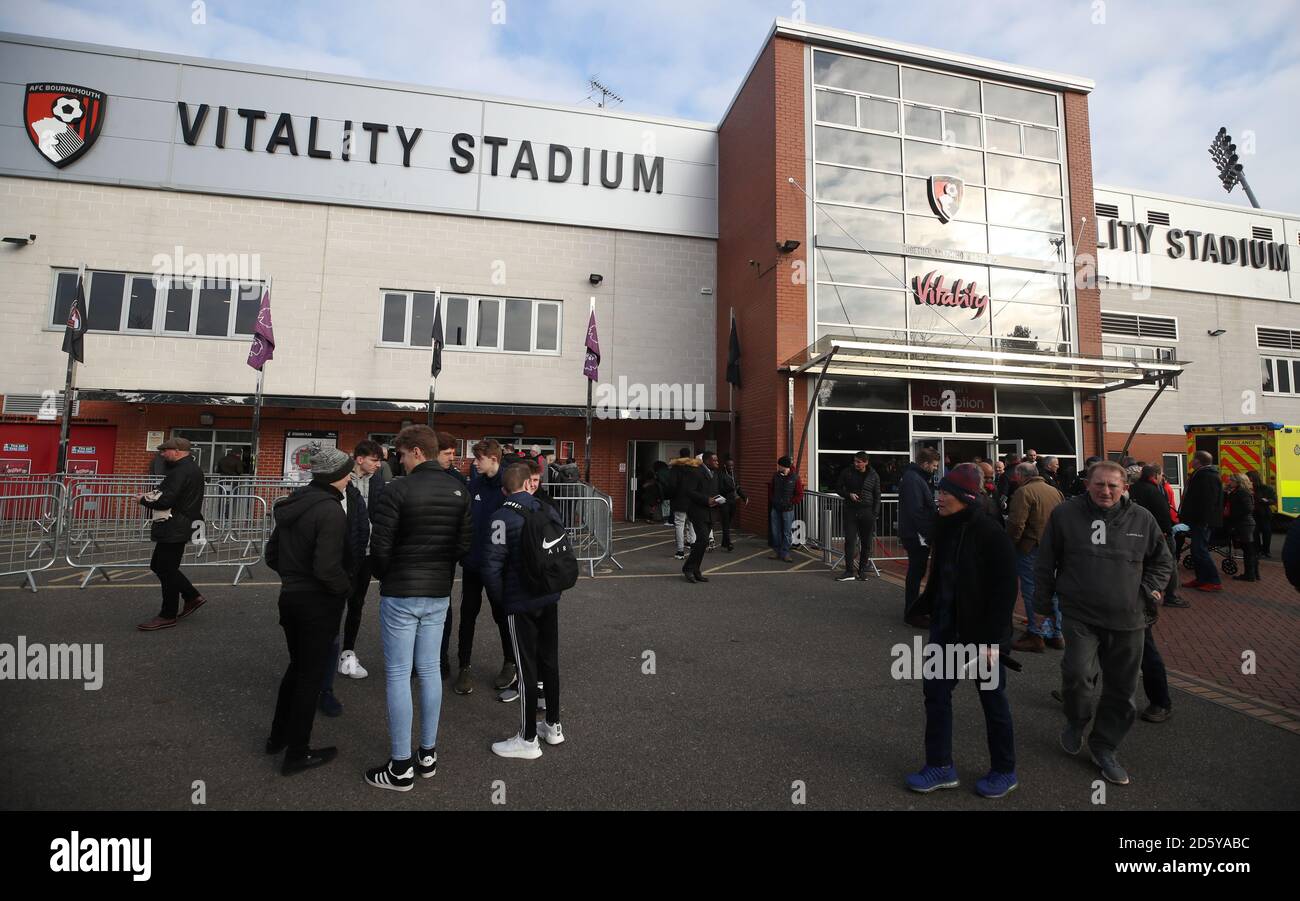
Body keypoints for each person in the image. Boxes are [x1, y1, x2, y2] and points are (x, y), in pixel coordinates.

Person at [1034, 460, 1172, 786]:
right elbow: (1045, 562)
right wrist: (1041, 606)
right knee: (1077, 675)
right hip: (1080, 614)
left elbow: (1162, 561)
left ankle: (1105, 745)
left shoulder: (1142, 518)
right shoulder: (1065, 515)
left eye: (1113, 485)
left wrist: (1148, 590)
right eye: (1099, 484)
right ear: (1087, 484)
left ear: (1125, 487)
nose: (1105, 491)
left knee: (1122, 691)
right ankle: (1076, 719)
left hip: (1129, 619)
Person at [364, 426, 471, 792]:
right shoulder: (460, 490)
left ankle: (400, 767)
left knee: (398, 673)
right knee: (427, 671)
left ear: (416, 452)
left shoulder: (397, 490)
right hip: (438, 590)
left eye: (401, 454)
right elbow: (463, 544)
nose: (399, 460)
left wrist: (387, 575)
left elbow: (379, 547)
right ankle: (427, 755)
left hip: (401, 591)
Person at [904, 464, 1019, 799]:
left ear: (964, 498)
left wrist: (994, 641)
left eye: (944, 493)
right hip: (945, 629)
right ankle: (940, 766)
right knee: (936, 695)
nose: (937, 497)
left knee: (993, 700)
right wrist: (927, 606)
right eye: (939, 491)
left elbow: (1003, 592)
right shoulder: (945, 526)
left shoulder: (989, 533)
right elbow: (942, 575)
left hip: (981, 636)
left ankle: (1004, 770)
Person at [264, 447, 356, 776]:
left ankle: (278, 736)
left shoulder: (293, 504)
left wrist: (293, 574)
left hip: (290, 598)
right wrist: (346, 589)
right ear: (333, 476)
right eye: (347, 472)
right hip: (318, 604)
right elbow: (327, 567)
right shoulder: (330, 511)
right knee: (310, 678)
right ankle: (297, 753)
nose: (350, 478)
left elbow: (272, 555)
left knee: (297, 670)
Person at [483, 463, 567, 759]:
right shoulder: (547, 509)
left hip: (520, 602)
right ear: (528, 485)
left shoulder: (500, 517)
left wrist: (501, 600)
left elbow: (491, 568)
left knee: (526, 668)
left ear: (504, 490)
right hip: (549, 596)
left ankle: (528, 738)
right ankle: (553, 726)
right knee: (549, 661)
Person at [449, 439, 517, 697]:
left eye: (478, 459)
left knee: (502, 614)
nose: (474, 463)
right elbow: (465, 521)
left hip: (499, 568)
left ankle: (510, 661)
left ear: (493, 459)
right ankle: (464, 666)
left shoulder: (507, 486)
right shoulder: (473, 484)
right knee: (467, 615)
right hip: (473, 564)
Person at [316, 459, 373, 718]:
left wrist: (353, 566)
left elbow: (361, 532)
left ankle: (325, 688)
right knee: (321, 634)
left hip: (347, 572)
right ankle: (314, 685)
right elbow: (276, 552)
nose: (350, 478)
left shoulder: (354, 496)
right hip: (317, 585)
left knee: (336, 629)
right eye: (345, 474)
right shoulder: (305, 503)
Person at [136, 437, 208, 631]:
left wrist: (143, 500)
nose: (162, 454)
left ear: (177, 451)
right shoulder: (191, 468)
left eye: (165, 450)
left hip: (174, 524)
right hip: (180, 523)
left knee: (165, 568)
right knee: (161, 565)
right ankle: (191, 596)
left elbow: (165, 499)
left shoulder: (180, 471)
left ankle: (168, 614)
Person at [335, 440, 386, 681]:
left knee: (357, 605)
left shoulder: (377, 480)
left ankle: (348, 653)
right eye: (375, 459)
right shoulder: (341, 479)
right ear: (359, 459)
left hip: (367, 553)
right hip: (342, 554)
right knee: (334, 606)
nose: (379, 464)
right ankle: (326, 654)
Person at [1006, 461, 1064, 653]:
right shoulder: (1054, 491)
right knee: (1051, 591)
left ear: (1022, 476)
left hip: (1031, 547)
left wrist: (1009, 544)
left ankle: (1036, 633)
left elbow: (1016, 524)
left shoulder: (1024, 492)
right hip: (1052, 548)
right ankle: (1054, 633)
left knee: (1032, 591)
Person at [1129, 464, 1187, 609]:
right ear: (1154, 475)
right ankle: (1171, 596)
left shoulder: (1133, 489)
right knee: (1169, 562)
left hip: (1137, 533)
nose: (1162, 477)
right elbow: (1163, 514)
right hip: (1159, 534)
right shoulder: (1154, 492)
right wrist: (1168, 531)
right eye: (1161, 474)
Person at [899, 447, 941, 628]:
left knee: (917, 572)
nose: (935, 469)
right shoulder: (914, 480)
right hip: (917, 535)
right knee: (916, 573)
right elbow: (916, 511)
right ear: (925, 464)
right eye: (934, 465)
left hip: (916, 533)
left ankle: (915, 610)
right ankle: (912, 612)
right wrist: (927, 533)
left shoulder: (915, 478)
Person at [1179, 451, 1224, 592]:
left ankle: (1213, 580)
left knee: (1200, 550)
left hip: (1202, 521)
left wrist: (1203, 520)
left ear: (1198, 461)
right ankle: (1201, 578)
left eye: (1193, 460)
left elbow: (1208, 501)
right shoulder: (1201, 475)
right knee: (1196, 550)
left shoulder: (1207, 476)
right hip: (1198, 520)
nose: (1191, 462)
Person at [835, 452, 881, 581]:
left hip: (867, 511)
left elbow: (877, 495)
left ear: (866, 462)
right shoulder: (847, 472)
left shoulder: (873, 475)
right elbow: (838, 488)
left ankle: (862, 571)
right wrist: (848, 494)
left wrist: (875, 513)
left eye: (859, 462)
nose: (856, 464)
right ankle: (849, 571)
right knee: (850, 540)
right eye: (855, 461)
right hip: (851, 510)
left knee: (866, 543)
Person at [680, 452, 719, 582]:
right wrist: (706, 499)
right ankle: (688, 568)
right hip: (698, 512)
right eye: (714, 460)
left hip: (710, 513)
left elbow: (716, 490)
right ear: (707, 461)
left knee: (704, 542)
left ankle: (696, 569)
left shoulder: (714, 474)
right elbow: (690, 491)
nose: (717, 462)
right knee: (702, 539)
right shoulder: (696, 472)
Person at [1225, 473, 1259, 582]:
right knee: (1248, 549)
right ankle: (1253, 573)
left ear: (1238, 482)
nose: (1229, 482)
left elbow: (1248, 508)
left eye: (1231, 480)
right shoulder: (1237, 492)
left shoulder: (1242, 492)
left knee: (1248, 550)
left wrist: (1234, 515)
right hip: (1244, 524)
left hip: (1245, 524)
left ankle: (1250, 574)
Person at [767, 456, 801, 563]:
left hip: (788, 509)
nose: (778, 467)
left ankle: (785, 552)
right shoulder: (776, 476)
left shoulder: (795, 477)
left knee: (787, 531)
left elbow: (799, 494)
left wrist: (791, 502)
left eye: (780, 465)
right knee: (775, 530)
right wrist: (773, 500)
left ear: (784, 466)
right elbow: (771, 489)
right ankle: (777, 550)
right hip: (776, 507)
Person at [668, 451, 700, 560]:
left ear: (680, 455)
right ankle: (693, 547)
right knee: (692, 525)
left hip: (679, 500)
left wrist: (672, 496)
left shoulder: (675, 469)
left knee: (679, 525)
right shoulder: (696, 468)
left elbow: (672, 485)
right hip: (693, 500)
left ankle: (680, 551)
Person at [718, 454, 748, 551]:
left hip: (732, 502)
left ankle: (724, 542)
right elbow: (720, 489)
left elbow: (738, 488)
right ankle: (729, 544)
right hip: (724, 502)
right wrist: (730, 488)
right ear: (725, 466)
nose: (731, 467)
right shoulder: (721, 475)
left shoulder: (734, 475)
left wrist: (744, 497)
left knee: (728, 523)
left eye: (732, 466)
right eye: (729, 466)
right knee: (726, 523)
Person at [1247, 470, 1276, 559]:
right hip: (1253, 514)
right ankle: (1258, 550)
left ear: (1254, 479)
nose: (1248, 481)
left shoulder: (1266, 488)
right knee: (1255, 533)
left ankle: (1266, 550)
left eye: (1249, 479)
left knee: (1266, 533)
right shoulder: (1248, 489)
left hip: (1264, 514)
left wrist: (1266, 500)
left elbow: (1273, 500)